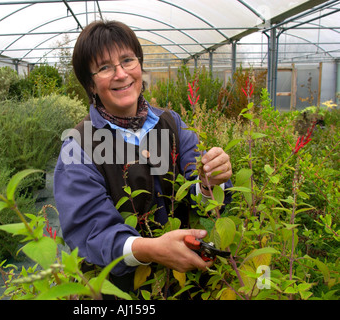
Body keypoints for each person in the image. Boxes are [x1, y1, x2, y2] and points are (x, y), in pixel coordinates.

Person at [53, 20, 233, 289]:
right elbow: (91, 231)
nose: (121, 74)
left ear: (140, 66)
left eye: (127, 60)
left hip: (190, 283)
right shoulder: (78, 148)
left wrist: (209, 182)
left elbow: (200, 186)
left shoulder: (171, 122)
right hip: (125, 291)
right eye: (104, 67)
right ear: (90, 85)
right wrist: (148, 249)